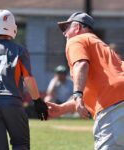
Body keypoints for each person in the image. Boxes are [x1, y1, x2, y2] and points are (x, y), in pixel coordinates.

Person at [47, 12, 124, 150]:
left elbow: (81, 64)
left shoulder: (77, 40)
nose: (64, 33)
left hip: (112, 104)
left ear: (77, 27)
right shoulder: (103, 49)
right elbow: (97, 89)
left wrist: (77, 95)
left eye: (66, 28)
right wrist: (62, 109)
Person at [0, 9, 48, 150]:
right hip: (12, 101)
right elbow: (28, 78)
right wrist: (37, 101)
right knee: (20, 143)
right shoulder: (19, 50)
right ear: (12, 27)